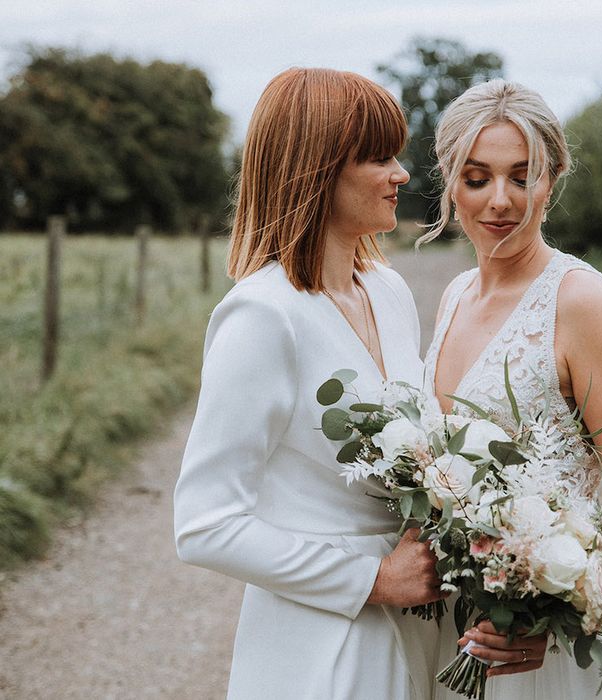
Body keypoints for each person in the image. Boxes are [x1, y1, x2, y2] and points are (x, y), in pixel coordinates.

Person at [174, 68, 444, 700]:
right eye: (378, 158)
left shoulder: (390, 290)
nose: (401, 173)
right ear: (318, 170)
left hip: (421, 627)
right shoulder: (263, 316)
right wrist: (371, 580)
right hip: (323, 648)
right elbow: (203, 524)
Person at [422, 79, 602, 699]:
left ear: (554, 176)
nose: (500, 201)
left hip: (552, 643)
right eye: (477, 177)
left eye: (523, 176)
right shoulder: (456, 295)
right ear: (450, 178)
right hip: (466, 624)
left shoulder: (580, 300)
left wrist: (554, 606)